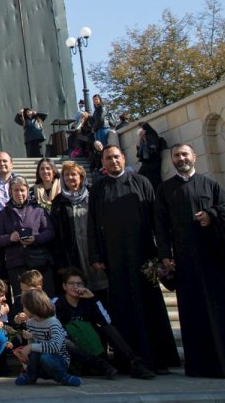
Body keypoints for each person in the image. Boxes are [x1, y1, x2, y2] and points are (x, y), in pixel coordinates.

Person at [156, 143, 225, 378]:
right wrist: (165, 254)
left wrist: (212, 214)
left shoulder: (210, 184)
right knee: (194, 313)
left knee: (224, 311)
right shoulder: (164, 190)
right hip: (185, 260)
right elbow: (160, 224)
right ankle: (201, 366)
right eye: (176, 156)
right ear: (172, 160)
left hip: (214, 258)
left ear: (194, 156)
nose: (181, 158)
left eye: (184, 154)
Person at [87, 145, 179, 373]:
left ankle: (157, 359)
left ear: (123, 158)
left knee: (150, 306)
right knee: (122, 308)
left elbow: (156, 220)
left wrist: (163, 253)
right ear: (103, 162)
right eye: (108, 158)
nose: (113, 161)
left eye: (116, 157)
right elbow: (92, 224)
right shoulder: (98, 188)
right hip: (114, 258)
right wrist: (95, 255)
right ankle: (129, 359)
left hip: (143, 255)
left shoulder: (142, 182)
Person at [54, 267, 154, 379]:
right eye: (71, 283)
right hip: (73, 346)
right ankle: (99, 364)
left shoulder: (88, 301)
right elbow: (56, 328)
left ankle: (135, 363)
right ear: (64, 286)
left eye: (79, 284)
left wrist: (93, 298)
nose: (75, 287)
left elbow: (107, 321)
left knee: (108, 329)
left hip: (91, 342)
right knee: (65, 338)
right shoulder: (57, 302)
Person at [48, 162, 108, 298]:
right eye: (66, 175)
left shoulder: (93, 195)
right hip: (72, 253)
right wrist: (60, 262)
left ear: (81, 177)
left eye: (73, 174)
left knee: (102, 290)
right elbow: (56, 234)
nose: (70, 177)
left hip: (94, 249)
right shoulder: (58, 202)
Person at [0, 177, 55, 295]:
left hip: (39, 262)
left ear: (27, 190)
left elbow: (50, 232)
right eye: (16, 190)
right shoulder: (4, 213)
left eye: (22, 190)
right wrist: (10, 238)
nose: (19, 193)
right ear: (10, 191)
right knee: (22, 300)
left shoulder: (38, 210)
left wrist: (36, 239)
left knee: (43, 299)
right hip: (16, 263)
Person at [13, 289, 81, 387]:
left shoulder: (53, 323)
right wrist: (31, 338)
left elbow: (55, 346)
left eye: (25, 306)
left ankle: (63, 377)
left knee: (46, 357)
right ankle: (30, 376)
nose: (23, 309)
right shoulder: (30, 322)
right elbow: (35, 346)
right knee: (35, 354)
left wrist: (31, 347)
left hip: (57, 362)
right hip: (41, 366)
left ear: (34, 307)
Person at [134, 122, 167, 188]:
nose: (139, 131)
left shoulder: (151, 136)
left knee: (152, 182)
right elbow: (139, 154)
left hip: (153, 163)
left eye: (140, 128)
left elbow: (152, 150)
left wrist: (144, 138)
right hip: (146, 164)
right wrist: (140, 138)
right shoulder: (142, 140)